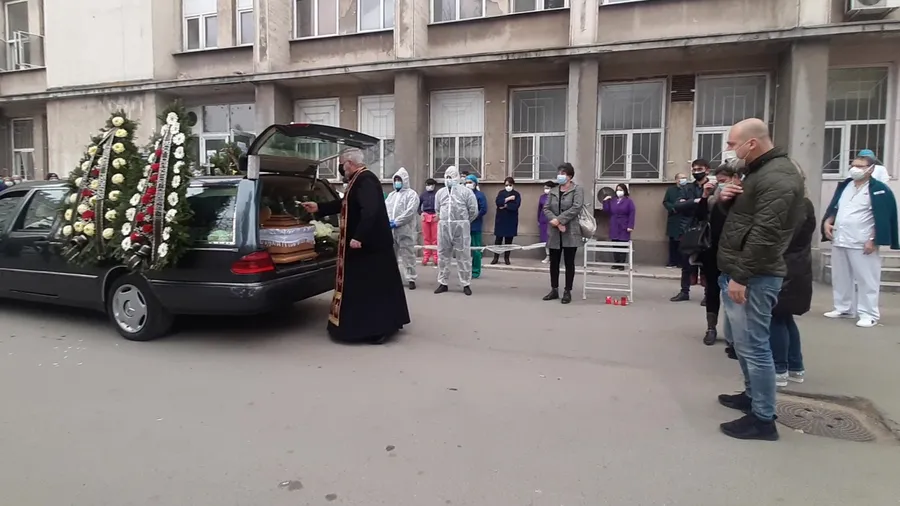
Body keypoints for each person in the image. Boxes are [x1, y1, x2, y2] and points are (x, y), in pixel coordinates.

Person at [715, 118, 805, 441]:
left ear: (751, 143)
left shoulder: (779, 176)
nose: (728, 149)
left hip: (755, 276)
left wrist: (741, 276)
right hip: (741, 270)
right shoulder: (757, 172)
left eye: (731, 143)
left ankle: (763, 419)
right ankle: (751, 396)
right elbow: (743, 221)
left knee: (755, 346)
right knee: (742, 343)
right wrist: (725, 200)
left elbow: (766, 234)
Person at [300, 148, 410, 345]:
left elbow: (370, 210)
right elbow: (346, 203)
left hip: (369, 247)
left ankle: (376, 329)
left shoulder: (365, 180)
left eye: (341, 165)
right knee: (370, 287)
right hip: (368, 246)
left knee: (370, 289)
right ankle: (379, 325)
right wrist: (319, 207)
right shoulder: (358, 179)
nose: (341, 169)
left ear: (349, 164)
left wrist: (359, 236)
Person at [821, 156, 900, 328]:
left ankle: (869, 314)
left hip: (862, 241)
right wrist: (828, 221)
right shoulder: (846, 186)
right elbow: (836, 207)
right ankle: (844, 307)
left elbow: (882, 216)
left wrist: (873, 239)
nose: (855, 169)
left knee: (867, 278)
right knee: (840, 276)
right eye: (853, 165)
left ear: (871, 169)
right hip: (840, 238)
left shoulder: (879, 189)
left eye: (860, 166)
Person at [770, 166, 816, 387]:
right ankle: (795, 366)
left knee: (776, 316)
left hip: (785, 269)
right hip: (794, 268)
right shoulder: (803, 203)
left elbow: (781, 239)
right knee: (785, 317)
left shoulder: (794, 206)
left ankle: (779, 369)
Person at [694, 164, 734, 348]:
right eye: (718, 181)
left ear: (734, 179)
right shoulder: (712, 198)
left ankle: (733, 333)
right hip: (712, 249)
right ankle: (711, 328)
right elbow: (700, 217)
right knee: (712, 290)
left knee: (732, 294)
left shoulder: (740, 198)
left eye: (724, 181)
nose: (721, 185)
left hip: (733, 251)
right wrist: (705, 196)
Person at [542, 163, 584, 304]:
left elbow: (576, 207)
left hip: (570, 231)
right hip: (555, 231)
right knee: (554, 262)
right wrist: (556, 222)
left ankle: (567, 291)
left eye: (563, 173)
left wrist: (560, 220)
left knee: (569, 262)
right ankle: (554, 289)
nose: (560, 176)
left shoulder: (577, 190)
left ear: (570, 176)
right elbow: (546, 208)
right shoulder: (554, 190)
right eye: (559, 173)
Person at [670, 160, 710, 302]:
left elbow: (711, 205)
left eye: (699, 169)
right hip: (688, 228)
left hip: (706, 229)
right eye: (694, 169)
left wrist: (689, 203)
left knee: (706, 265)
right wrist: (695, 201)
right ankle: (684, 292)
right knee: (686, 264)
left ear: (707, 170)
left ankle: (708, 295)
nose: (696, 172)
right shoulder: (687, 188)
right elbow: (677, 205)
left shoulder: (712, 187)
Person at [435, 166, 478, 295]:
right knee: (443, 255)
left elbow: (473, 211)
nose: (449, 179)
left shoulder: (466, 192)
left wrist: (463, 222)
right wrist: (445, 220)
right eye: (447, 177)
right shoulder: (440, 193)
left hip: (461, 228)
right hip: (444, 227)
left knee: (463, 256)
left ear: (457, 178)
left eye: (451, 177)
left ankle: (466, 284)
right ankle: (443, 283)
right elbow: (437, 209)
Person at [385, 167, 420, 290]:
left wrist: (397, 222)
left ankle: (411, 278)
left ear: (405, 180)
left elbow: (410, 212)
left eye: (399, 180)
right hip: (391, 230)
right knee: (391, 255)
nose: (397, 182)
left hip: (405, 230)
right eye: (395, 180)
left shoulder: (412, 195)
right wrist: (387, 221)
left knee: (408, 255)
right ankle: (392, 278)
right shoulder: (391, 195)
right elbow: (386, 209)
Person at [600, 183, 635, 270]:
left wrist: (630, 226)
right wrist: (605, 201)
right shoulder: (613, 200)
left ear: (625, 191)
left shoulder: (629, 201)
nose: (619, 191)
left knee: (622, 244)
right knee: (615, 244)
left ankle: (622, 264)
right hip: (614, 224)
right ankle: (616, 262)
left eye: (621, 190)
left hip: (624, 224)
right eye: (617, 190)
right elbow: (607, 210)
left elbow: (632, 214)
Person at [492, 176, 521, 265]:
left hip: (511, 220)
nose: (508, 186)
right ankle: (495, 257)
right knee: (498, 240)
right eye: (506, 185)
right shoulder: (501, 193)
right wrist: (508, 199)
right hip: (501, 219)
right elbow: (498, 202)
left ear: (513, 185)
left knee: (508, 241)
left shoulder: (516, 194)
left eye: (510, 185)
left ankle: (507, 258)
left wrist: (506, 206)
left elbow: (516, 206)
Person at [663, 173, 688, 268]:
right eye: (682, 178)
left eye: (685, 178)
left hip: (685, 218)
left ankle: (682, 262)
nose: (684, 179)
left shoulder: (688, 189)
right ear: (677, 180)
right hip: (674, 218)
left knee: (683, 242)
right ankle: (672, 261)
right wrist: (673, 208)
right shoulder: (671, 190)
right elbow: (666, 202)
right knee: (673, 241)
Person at [465, 174, 488, 279]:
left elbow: (484, 209)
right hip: (464, 225)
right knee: (464, 250)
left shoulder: (479, 195)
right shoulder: (464, 194)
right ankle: (465, 270)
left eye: (470, 182)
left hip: (475, 226)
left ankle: (475, 271)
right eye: (466, 182)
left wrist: (474, 217)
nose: (468, 184)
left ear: (475, 183)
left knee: (476, 250)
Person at [419, 178, 439, 266]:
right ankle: (426, 256)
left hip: (435, 216)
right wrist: (421, 213)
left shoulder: (437, 194)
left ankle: (436, 257)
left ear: (434, 186)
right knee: (426, 238)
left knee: (435, 239)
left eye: (430, 185)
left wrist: (438, 214)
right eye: (427, 185)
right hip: (425, 216)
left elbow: (441, 205)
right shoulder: (423, 195)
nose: (429, 186)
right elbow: (418, 205)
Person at [538, 180, 556, 263]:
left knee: (553, 239)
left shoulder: (555, 197)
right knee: (545, 240)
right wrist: (538, 220)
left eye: (547, 188)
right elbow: (539, 209)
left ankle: (554, 257)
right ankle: (548, 256)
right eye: (545, 188)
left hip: (553, 220)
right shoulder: (542, 197)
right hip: (543, 221)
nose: (546, 190)